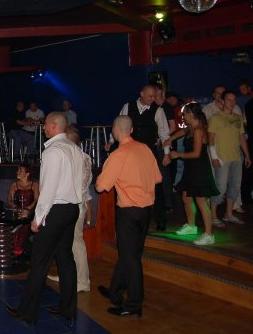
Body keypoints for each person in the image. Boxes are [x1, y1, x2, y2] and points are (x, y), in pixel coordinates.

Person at [7, 112, 90, 324]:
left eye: (45, 124)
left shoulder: (53, 150)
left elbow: (48, 189)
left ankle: (27, 312)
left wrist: (38, 218)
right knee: (65, 259)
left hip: (56, 210)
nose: (43, 128)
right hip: (72, 209)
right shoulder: (75, 149)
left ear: (53, 126)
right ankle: (68, 309)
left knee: (39, 262)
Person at [96, 116, 161, 318]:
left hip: (129, 212)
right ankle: (115, 291)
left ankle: (134, 304)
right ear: (131, 130)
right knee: (130, 254)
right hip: (147, 210)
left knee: (130, 258)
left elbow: (100, 186)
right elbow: (157, 178)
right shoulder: (145, 149)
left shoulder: (118, 155)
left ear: (115, 130)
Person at [105, 84, 170, 231]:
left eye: (154, 96)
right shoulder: (128, 107)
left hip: (148, 153)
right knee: (126, 180)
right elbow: (120, 125)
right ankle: (125, 214)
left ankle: (161, 219)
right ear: (141, 94)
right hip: (129, 153)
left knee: (156, 184)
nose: (153, 99)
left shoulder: (158, 111)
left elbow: (164, 133)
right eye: (150, 96)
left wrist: (166, 154)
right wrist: (111, 141)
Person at [47, 125, 93, 293]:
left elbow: (79, 187)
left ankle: (83, 281)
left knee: (76, 243)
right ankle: (68, 275)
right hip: (74, 205)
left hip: (75, 205)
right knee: (67, 243)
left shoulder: (77, 158)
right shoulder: (83, 157)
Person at [164, 103, 218, 245]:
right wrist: (170, 139)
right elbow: (182, 132)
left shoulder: (199, 130)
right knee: (186, 198)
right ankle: (191, 226)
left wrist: (178, 154)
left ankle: (209, 234)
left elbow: (196, 154)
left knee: (201, 201)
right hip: (191, 169)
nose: (182, 117)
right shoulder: (191, 128)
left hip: (200, 169)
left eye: (184, 114)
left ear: (191, 114)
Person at [208, 90, 251, 226]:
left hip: (237, 157)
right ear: (222, 101)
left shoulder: (238, 118)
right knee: (220, 188)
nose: (232, 102)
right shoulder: (215, 117)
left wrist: (247, 155)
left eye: (234, 100)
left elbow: (242, 137)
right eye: (229, 99)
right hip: (222, 158)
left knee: (235, 186)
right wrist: (214, 157)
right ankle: (213, 215)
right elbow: (210, 138)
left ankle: (229, 214)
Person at [6, 164, 39, 256]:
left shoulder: (34, 185)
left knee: (25, 216)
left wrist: (28, 209)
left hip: (30, 211)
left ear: (27, 174)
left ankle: (21, 248)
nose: (17, 172)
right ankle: (16, 249)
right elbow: (9, 200)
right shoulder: (14, 185)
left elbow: (36, 200)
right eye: (18, 170)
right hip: (17, 211)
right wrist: (15, 207)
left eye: (20, 171)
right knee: (18, 217)